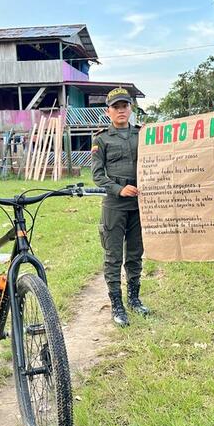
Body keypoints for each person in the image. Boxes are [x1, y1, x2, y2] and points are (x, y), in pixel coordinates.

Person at [92, 87, 149, 326]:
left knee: (135, 255)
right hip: (115, 205)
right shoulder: (102, 139)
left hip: (140, 204)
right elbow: (97, 175)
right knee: (113, 257)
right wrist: (118, 189)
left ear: (130, 109)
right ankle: (117, 304)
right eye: (116, 107)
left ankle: (134, 299)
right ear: (109, 112)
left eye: (124, 106)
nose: (121, 110)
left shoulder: (143, 135)